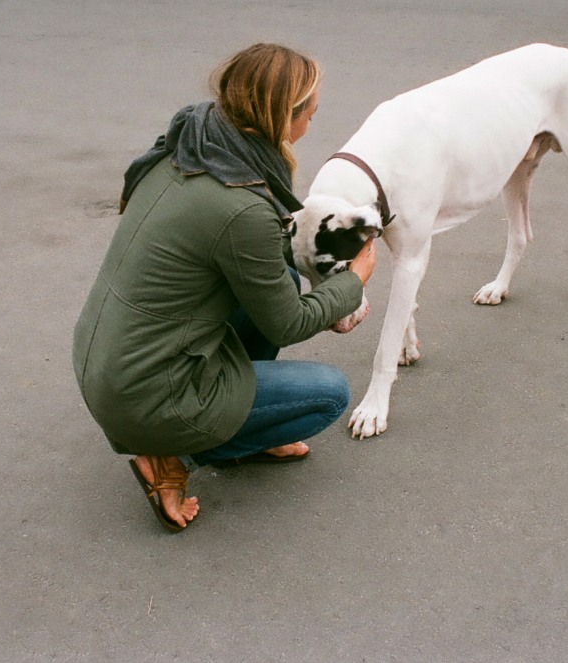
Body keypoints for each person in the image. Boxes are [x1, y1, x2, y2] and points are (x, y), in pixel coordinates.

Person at [73, 43, 376, 532]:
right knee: (330, 395)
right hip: (145, 392)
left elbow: (268, 272)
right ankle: (173, 458)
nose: (312, 123)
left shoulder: (192, 143)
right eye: (311, 114)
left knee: (276, 279)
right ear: (284, 116)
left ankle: (245, 426)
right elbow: (289, 321)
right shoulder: (241, 207)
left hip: (106, 358)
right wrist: (353, 282)